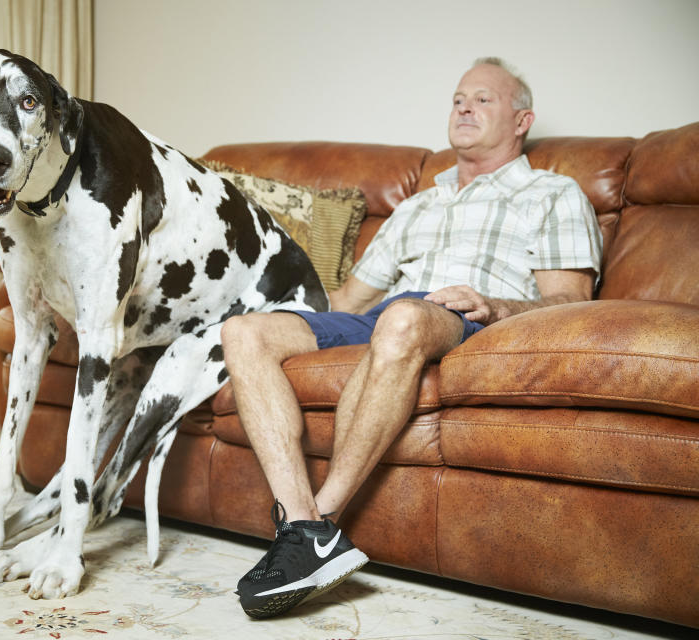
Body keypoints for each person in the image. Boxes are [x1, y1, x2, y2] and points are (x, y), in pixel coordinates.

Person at [221, 57, 603, 619]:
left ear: (523, 120)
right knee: (245, 332)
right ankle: (305, 529)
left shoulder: (553, 193)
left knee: (404, 316)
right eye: (457, 99)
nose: (464, 108)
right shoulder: (418, 203)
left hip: (466, 317)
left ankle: (314, 526)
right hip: (386, 315)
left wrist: (495, 304)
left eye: (482, 99)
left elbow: (573, 302)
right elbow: (347, 301)